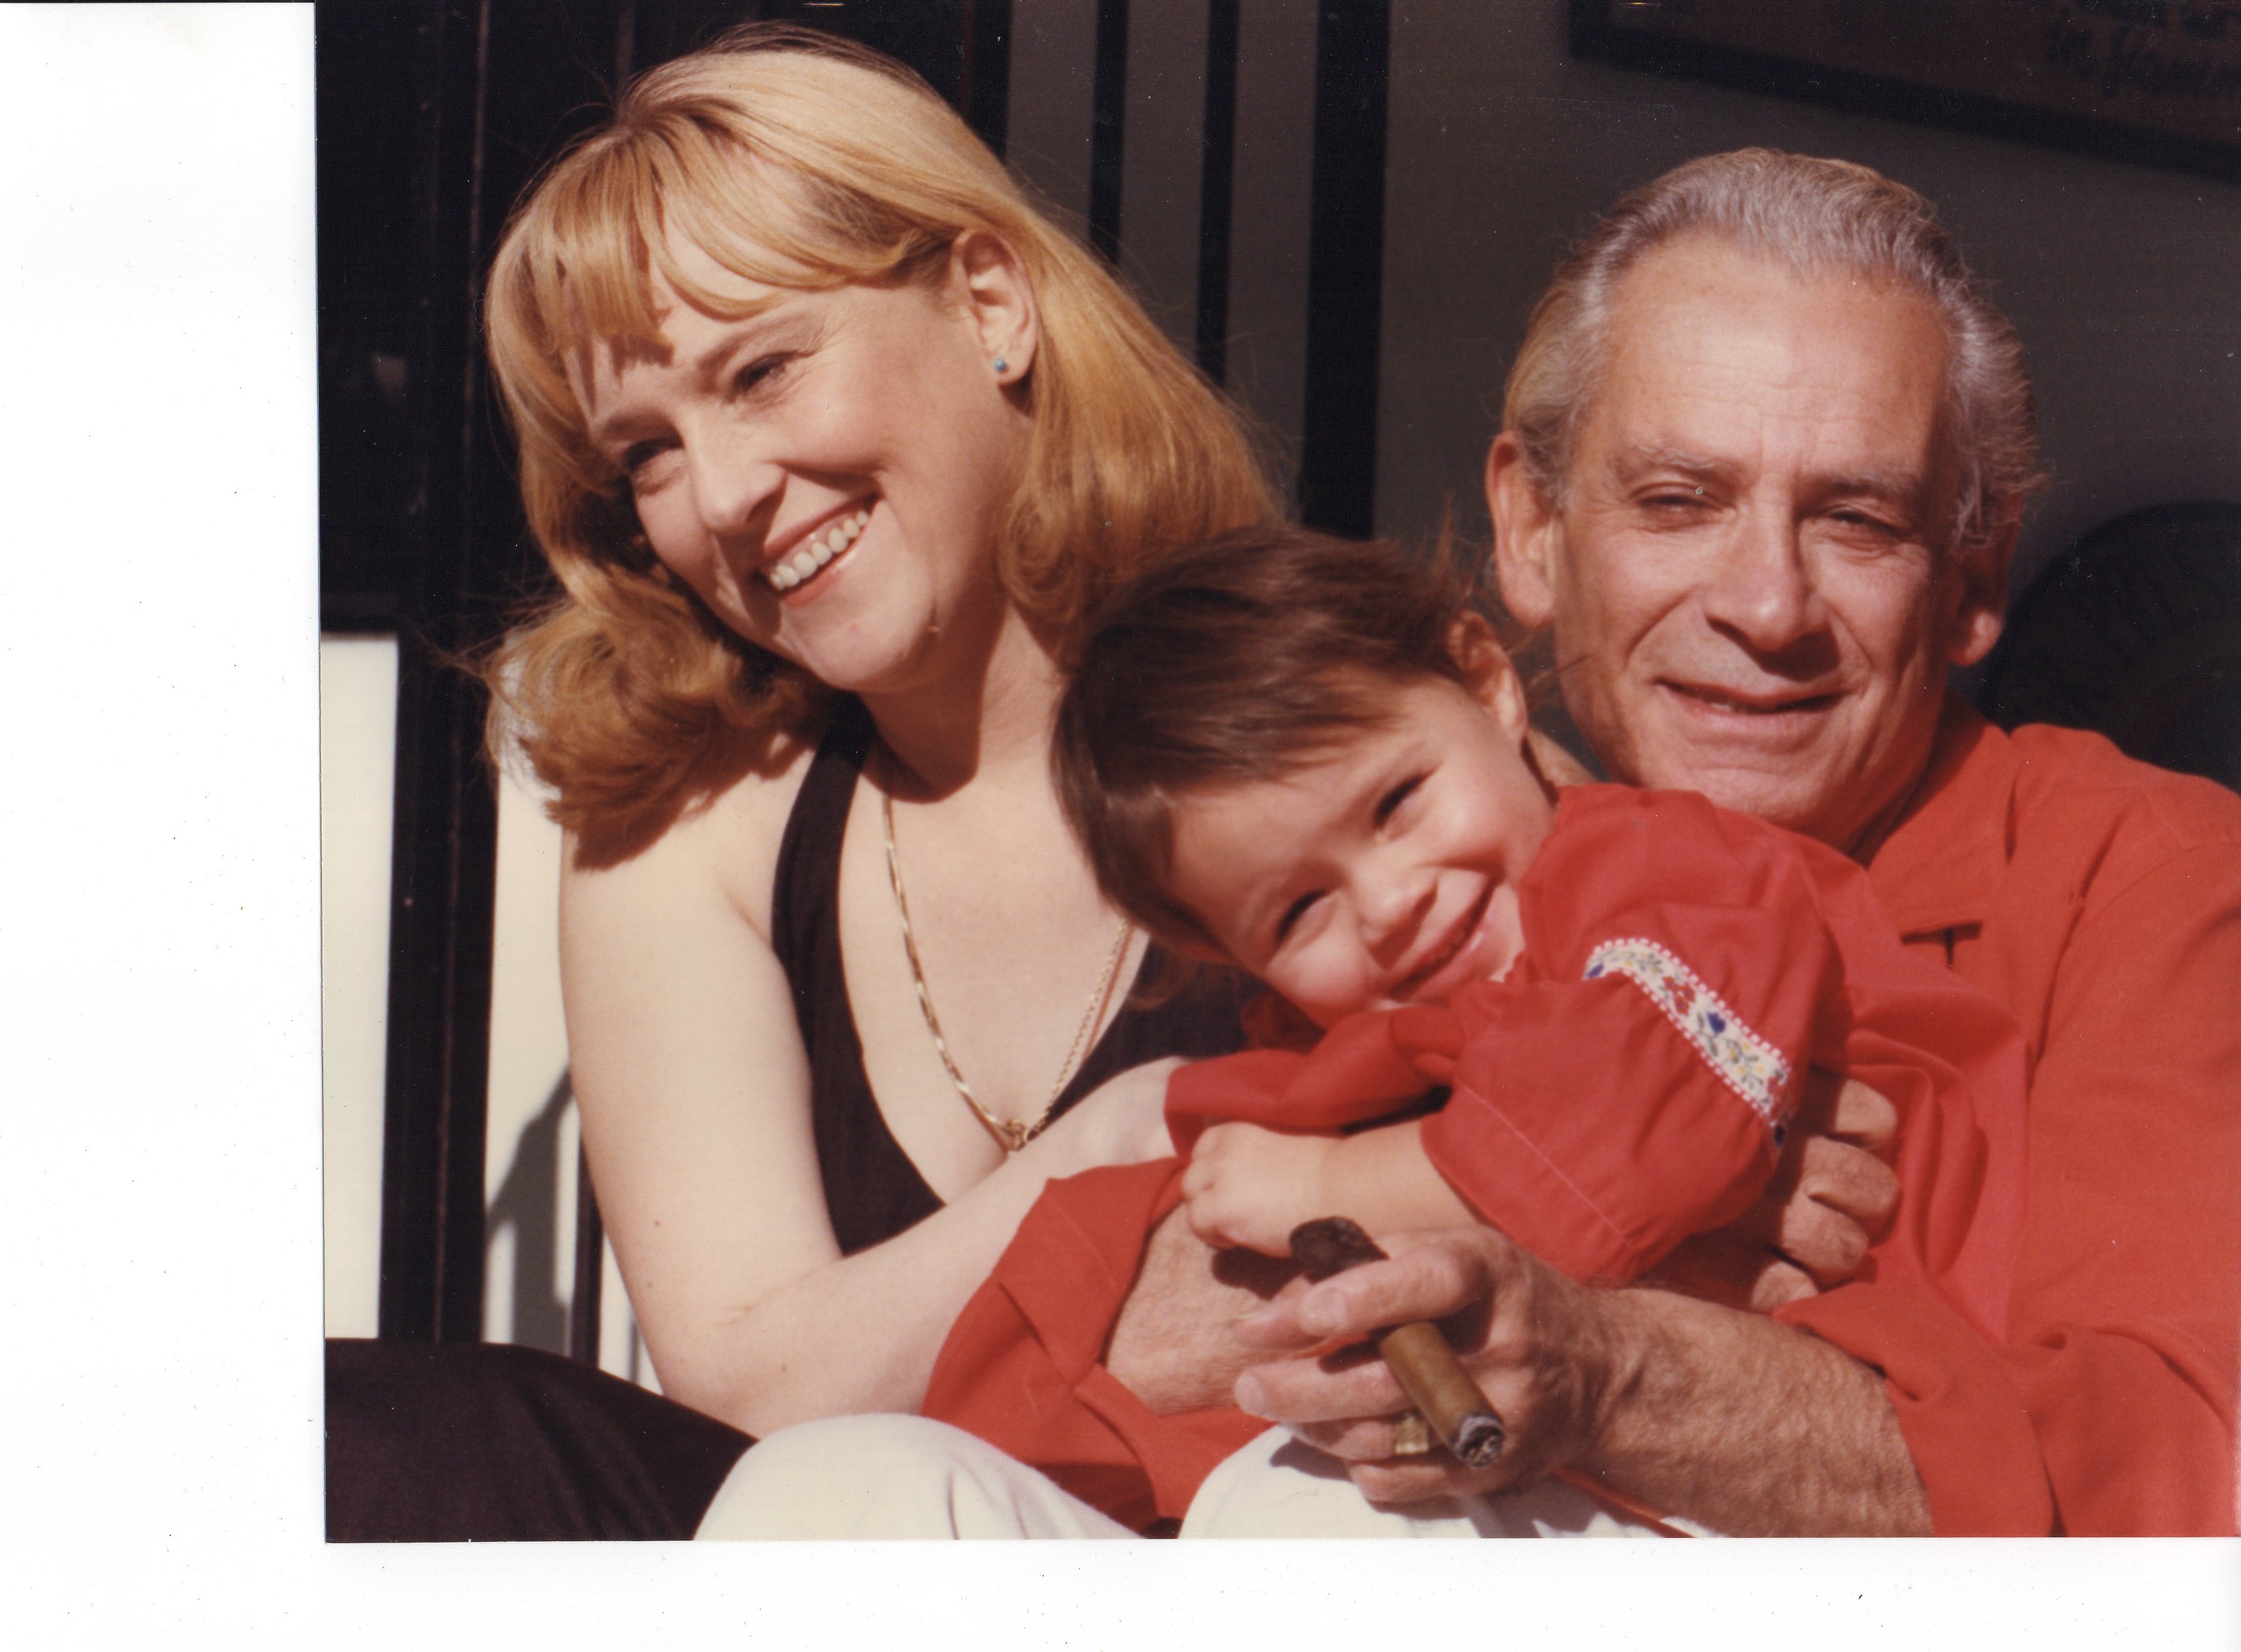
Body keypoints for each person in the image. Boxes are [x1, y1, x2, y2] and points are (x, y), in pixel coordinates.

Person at [325, 21, 1274, 1539]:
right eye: (645, 452)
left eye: (762, 370)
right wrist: (1127, 1136)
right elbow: (751, 1396)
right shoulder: (694, 818)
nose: (720, 501)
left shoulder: (1341, 719)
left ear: (989, 302)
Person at [1219, 150, 2241, 1536]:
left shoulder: (2154, 872)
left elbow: (2181, 1482)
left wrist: (1617, 1363)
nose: (1768, 605)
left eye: (1859, 520)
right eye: (1680, 500)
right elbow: (1117, 1317)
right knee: (865, 1488)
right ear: (1533, 528)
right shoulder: (1423, 880)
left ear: (1978, 576)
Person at [702, 526, 2029, 1537]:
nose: (1392, 908)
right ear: (1229, 954)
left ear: (1484, 687)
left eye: (1396, 803)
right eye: (1297, 908)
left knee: (1299, 1523)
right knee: (820, 1502)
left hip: (1775, 1496)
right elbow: (1097, 1275)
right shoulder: (1332, 1055)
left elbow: (1647, 1120)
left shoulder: (1660, 877)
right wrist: (1033, 1427)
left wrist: (1338, 1187)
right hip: (1515, 1497)